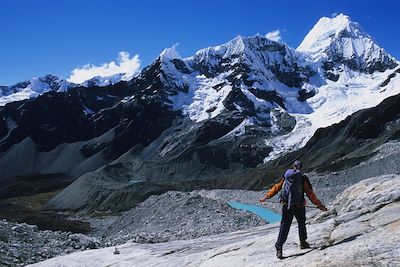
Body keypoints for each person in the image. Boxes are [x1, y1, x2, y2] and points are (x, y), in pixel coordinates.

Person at [259, 160, 327, 259]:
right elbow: (310, 194)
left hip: (286, 206)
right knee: (301, 224)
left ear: (293, 166)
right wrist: (319, 205)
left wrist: (266, 197)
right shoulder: (302, 178)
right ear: (301, 167)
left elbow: (277, 187)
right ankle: (303, 242)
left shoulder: (286, 176)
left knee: (284, 226)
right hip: (299, 206)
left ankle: (279, 246)